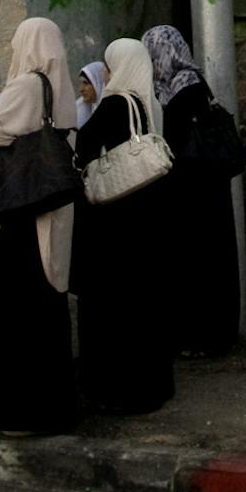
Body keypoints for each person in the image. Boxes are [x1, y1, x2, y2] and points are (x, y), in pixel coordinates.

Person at [0, 16, 78, 432]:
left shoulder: (27, 85)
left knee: (19, 311)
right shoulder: (61, 86)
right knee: (47, 306)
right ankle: (55, 408)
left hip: (22, 211)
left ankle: (24, 411)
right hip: (51, 203)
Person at [71, 36, 174, 414]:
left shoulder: (116, 102)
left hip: (117, 216)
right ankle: (150, 384)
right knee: (144, 301)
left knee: (115, 301)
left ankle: (116, 387)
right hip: (145, 215)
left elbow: (85, 143)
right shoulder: (148, 104)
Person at [143, 23, 239, 356]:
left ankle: (202, 337)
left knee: (198, 262)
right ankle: (209, 335)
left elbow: (175, 140)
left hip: (194, 189)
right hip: (205, 187)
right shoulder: (188, 83)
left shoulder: (184, 89)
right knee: (208, 260)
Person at [74, 60, 107, 130]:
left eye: (86, 83)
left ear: (98, 84)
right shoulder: (79, 109)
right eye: (80, 83)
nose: (81, 89)